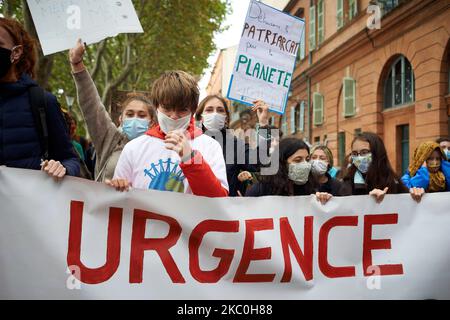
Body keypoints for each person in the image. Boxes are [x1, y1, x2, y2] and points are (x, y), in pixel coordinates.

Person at [109, 70, 229, 197]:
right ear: (156, 107)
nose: (174, 116)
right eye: (167, 109)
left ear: (193, 111)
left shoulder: (210, 146)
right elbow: (119, 200)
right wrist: (118, 187)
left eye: (182, 110)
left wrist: (191, 158)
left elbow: (218, 199)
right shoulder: (134, 148)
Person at [0, 18, 79, 179]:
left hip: (26, 202)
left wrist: (61, 168)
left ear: (16, 52)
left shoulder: (42, 102)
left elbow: (71, 160)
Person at [70, 39, 157, 182]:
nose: (135, 118)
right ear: (120, 119)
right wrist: (77, 64)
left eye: (141, 115)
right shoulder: (110, 139)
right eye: (130, 114)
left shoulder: (158, 148)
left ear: (151, 121)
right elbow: (92, 106)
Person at [195, 95, 274, 196]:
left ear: (226, 119)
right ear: (200, 118)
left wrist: (263, 123)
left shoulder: (235, 146)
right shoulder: (191, 143)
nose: (215, 114)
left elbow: (260, 162)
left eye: (220, 110)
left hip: (224, 209)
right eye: (209, 110)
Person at [338, 132, 409, 203]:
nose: (359, 157)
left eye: (364, 152)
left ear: (377, 153)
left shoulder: (393, 182)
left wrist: (416, 196)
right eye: (355, 153)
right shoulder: (348, 184)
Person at [245, 138, 318, 197]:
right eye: (298, 160)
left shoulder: (310, 189)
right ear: (282, 162)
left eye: (307, 159)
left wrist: (322, 201)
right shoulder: (260, 190)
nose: (305, 165)